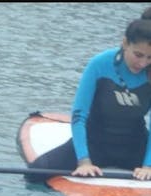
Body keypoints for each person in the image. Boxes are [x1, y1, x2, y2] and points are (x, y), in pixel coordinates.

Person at [26, 7, 151, 183]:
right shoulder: (100, 63)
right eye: (138, 55)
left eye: (149, 58)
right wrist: (83, 161)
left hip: (134, 146)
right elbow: (79, 115)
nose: (143, 63)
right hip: (95, 142)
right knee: (34, 172)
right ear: (125, 43)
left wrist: (148, 166)